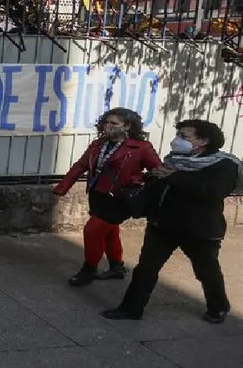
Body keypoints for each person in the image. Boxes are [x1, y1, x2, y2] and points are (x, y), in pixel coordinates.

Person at [104, 119, 241, 323]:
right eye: (178, 135)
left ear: (203, 141)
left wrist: (173, 176)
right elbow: (162, 187)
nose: (178, 140)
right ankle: (131, 309)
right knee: (146, 269)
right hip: (163, 224)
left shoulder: (223, 164)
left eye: (184, 137)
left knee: (206, 270)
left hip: (198, 229)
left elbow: (212, 193)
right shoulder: (175, 158)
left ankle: (218, 306)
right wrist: (152, 177)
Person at [53, 108, 162, 287]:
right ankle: (117, 267)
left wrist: (139, 183)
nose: (108, 126)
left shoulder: (141, 147)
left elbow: (157, 170)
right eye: (106, 122)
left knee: (92, 231)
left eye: (114, 123)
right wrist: (62, 187)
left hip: (120, 198)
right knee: (110, 231)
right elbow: (80, 166)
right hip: (97, 194)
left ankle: (89, 270)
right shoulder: (98, 144)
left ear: (127, 126)